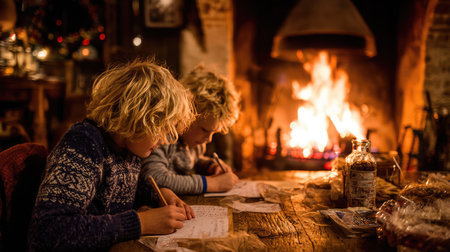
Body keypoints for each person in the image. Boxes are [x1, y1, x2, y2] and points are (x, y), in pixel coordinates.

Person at [28, 59, 196, 252]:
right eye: (161, 129)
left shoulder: (128, 147)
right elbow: (49, 231)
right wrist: (141, 223)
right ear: (137, 118)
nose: (166, 141)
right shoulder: (83, 145)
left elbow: (124, 192)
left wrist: (159, 195)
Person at [140, 65, 240, 195]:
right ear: (187, 114)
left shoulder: (195, 143)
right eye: (204, 130)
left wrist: (209, 165)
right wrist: (212, 184)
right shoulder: (164, 136)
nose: (208, 140)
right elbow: (154, 177)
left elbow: (189, 161)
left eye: (213, 133)